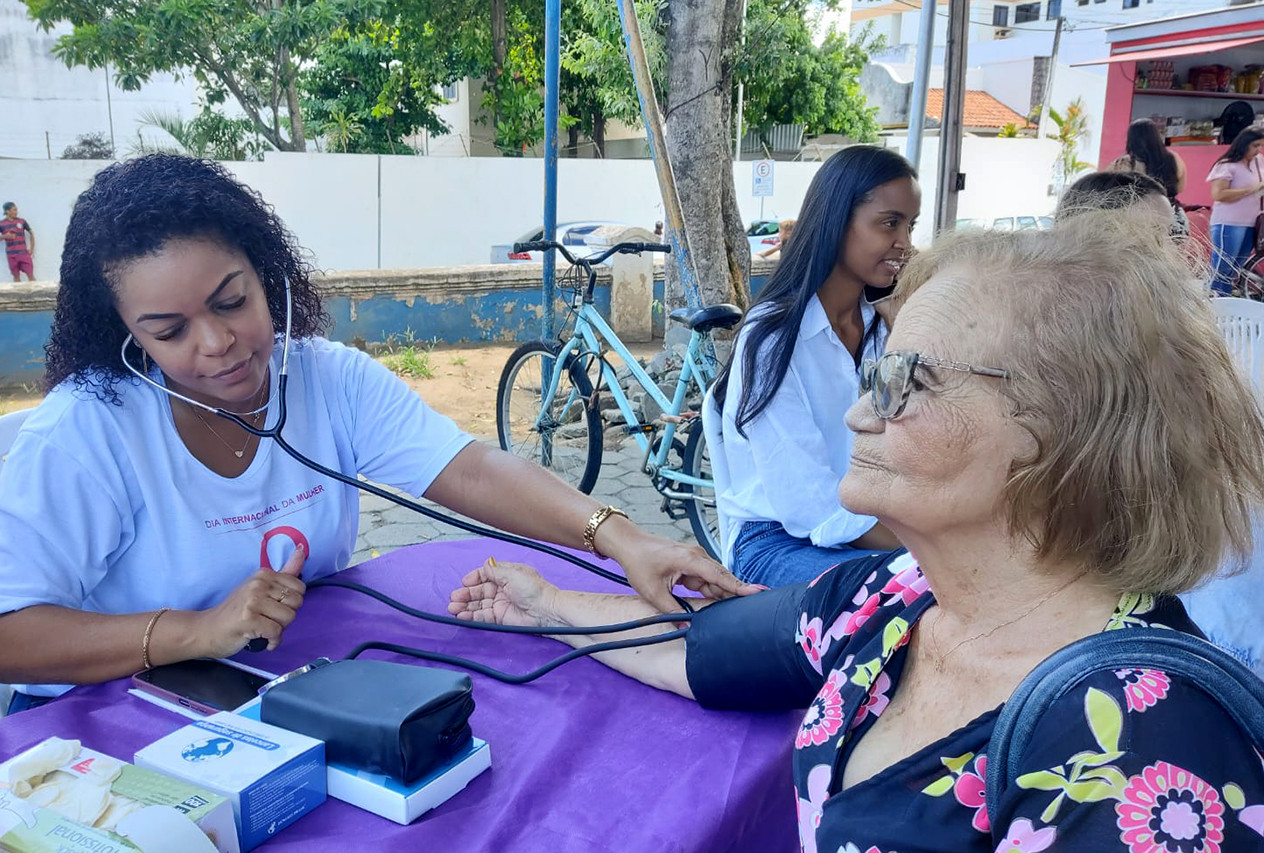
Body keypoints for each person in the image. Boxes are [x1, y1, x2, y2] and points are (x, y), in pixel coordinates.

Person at [452, 209, 1264, 851]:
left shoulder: (1149, 748)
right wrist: (547, 603)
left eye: (905, 381)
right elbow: (696, 651)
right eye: (875, 373)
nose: (857, 411)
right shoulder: (898, 596)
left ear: (1052, 432)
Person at [0, 155, 751, 712]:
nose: (215, 343)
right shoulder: (85, 434)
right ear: (123, 334)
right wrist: (195, 631)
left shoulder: (325, 378)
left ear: (267, 270)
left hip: (273, 692)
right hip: (97, 718)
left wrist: (619, 537)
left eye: (231, 300)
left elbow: (472, 469)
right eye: (169, 329)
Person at [704, 146, 913, 588]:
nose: (905, 244)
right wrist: (918, 548)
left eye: (910, 226)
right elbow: (810, 506)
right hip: (776, 542)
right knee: (908, 596)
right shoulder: (774, 338)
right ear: (837, 222)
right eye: (889, 223)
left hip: (865, 527)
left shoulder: (881, 328)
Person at [1206, 127, 1264, 296]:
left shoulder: (1258, 161)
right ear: (1244, 144)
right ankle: (1217, 305)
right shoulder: (1226, 165)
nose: (1258, 150)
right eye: (1255, 146)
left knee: (1236, 269)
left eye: (1260, 146)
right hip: (1228, 223)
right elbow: (1218, 194)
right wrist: (1251, 189)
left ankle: (1227, 303)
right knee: (1223, 268)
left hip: (1251, 222)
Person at [1109, 118, 1189, 236]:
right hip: (1175, 219)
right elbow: (1180, 187)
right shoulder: (1174, 158)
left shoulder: (1125, 163)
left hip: (1140, 222)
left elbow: (1108, 190)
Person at [0, 202, 35, 282]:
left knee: (30, 275)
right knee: (16, 277)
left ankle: (38, 294)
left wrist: (31, 248)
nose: (16, 212)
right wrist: (5, 236)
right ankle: (19, 294)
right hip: (11, 255)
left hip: (23, 253)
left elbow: (31, 233)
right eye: (14, 210)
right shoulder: (0, 224)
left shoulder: (22, 221)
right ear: (7, 211)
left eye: (16, 210)